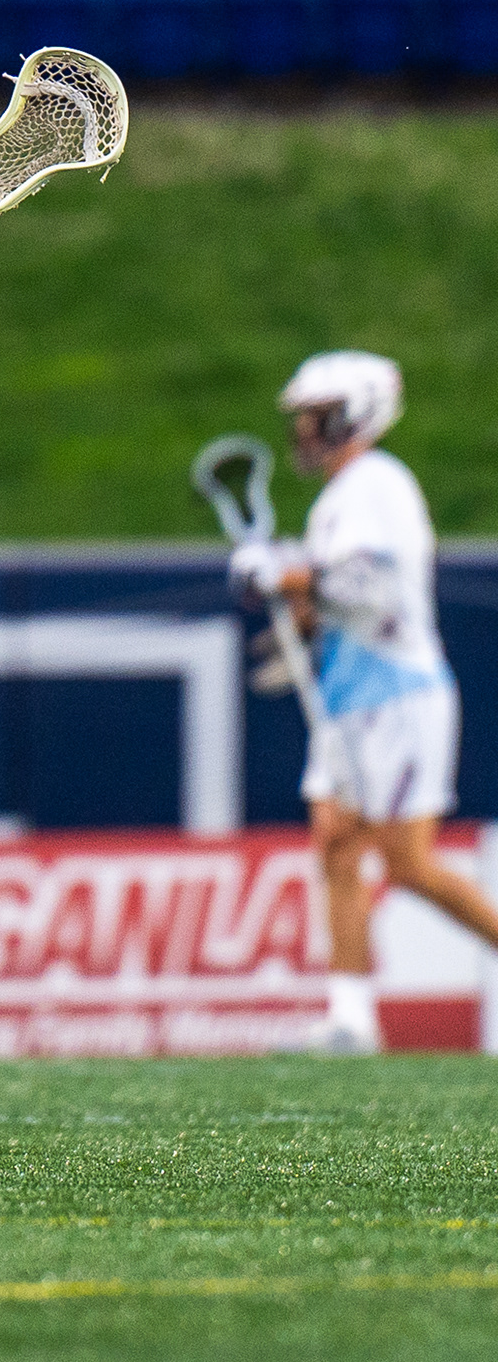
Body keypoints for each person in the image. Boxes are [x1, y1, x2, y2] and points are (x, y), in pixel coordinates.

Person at [231, 351, 498, 1053]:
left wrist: (284, 572)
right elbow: (328, 603)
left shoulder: (376, 483)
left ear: (355, 415)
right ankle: (350, 1018)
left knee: (407, 863)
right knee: (335, 843)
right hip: (349, 697)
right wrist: (292, 601)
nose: (305, 431)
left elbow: (365, 587)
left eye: (316, 416)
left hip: (397, 696)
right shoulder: (338, 498)